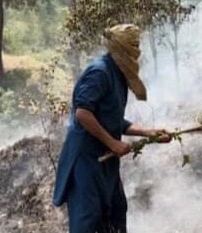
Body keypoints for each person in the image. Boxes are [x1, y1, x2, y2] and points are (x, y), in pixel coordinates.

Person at [52, 23, 171, 233]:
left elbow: (112, 120)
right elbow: (83, 113)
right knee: (88, 220)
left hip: (105, 161)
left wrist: (147, 133)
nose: (138, 50)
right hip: (86, 160)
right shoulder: (100, 72)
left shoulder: (117, 73)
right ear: (123, 48)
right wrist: (113, 143)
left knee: (116, 211)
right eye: (134, 45)